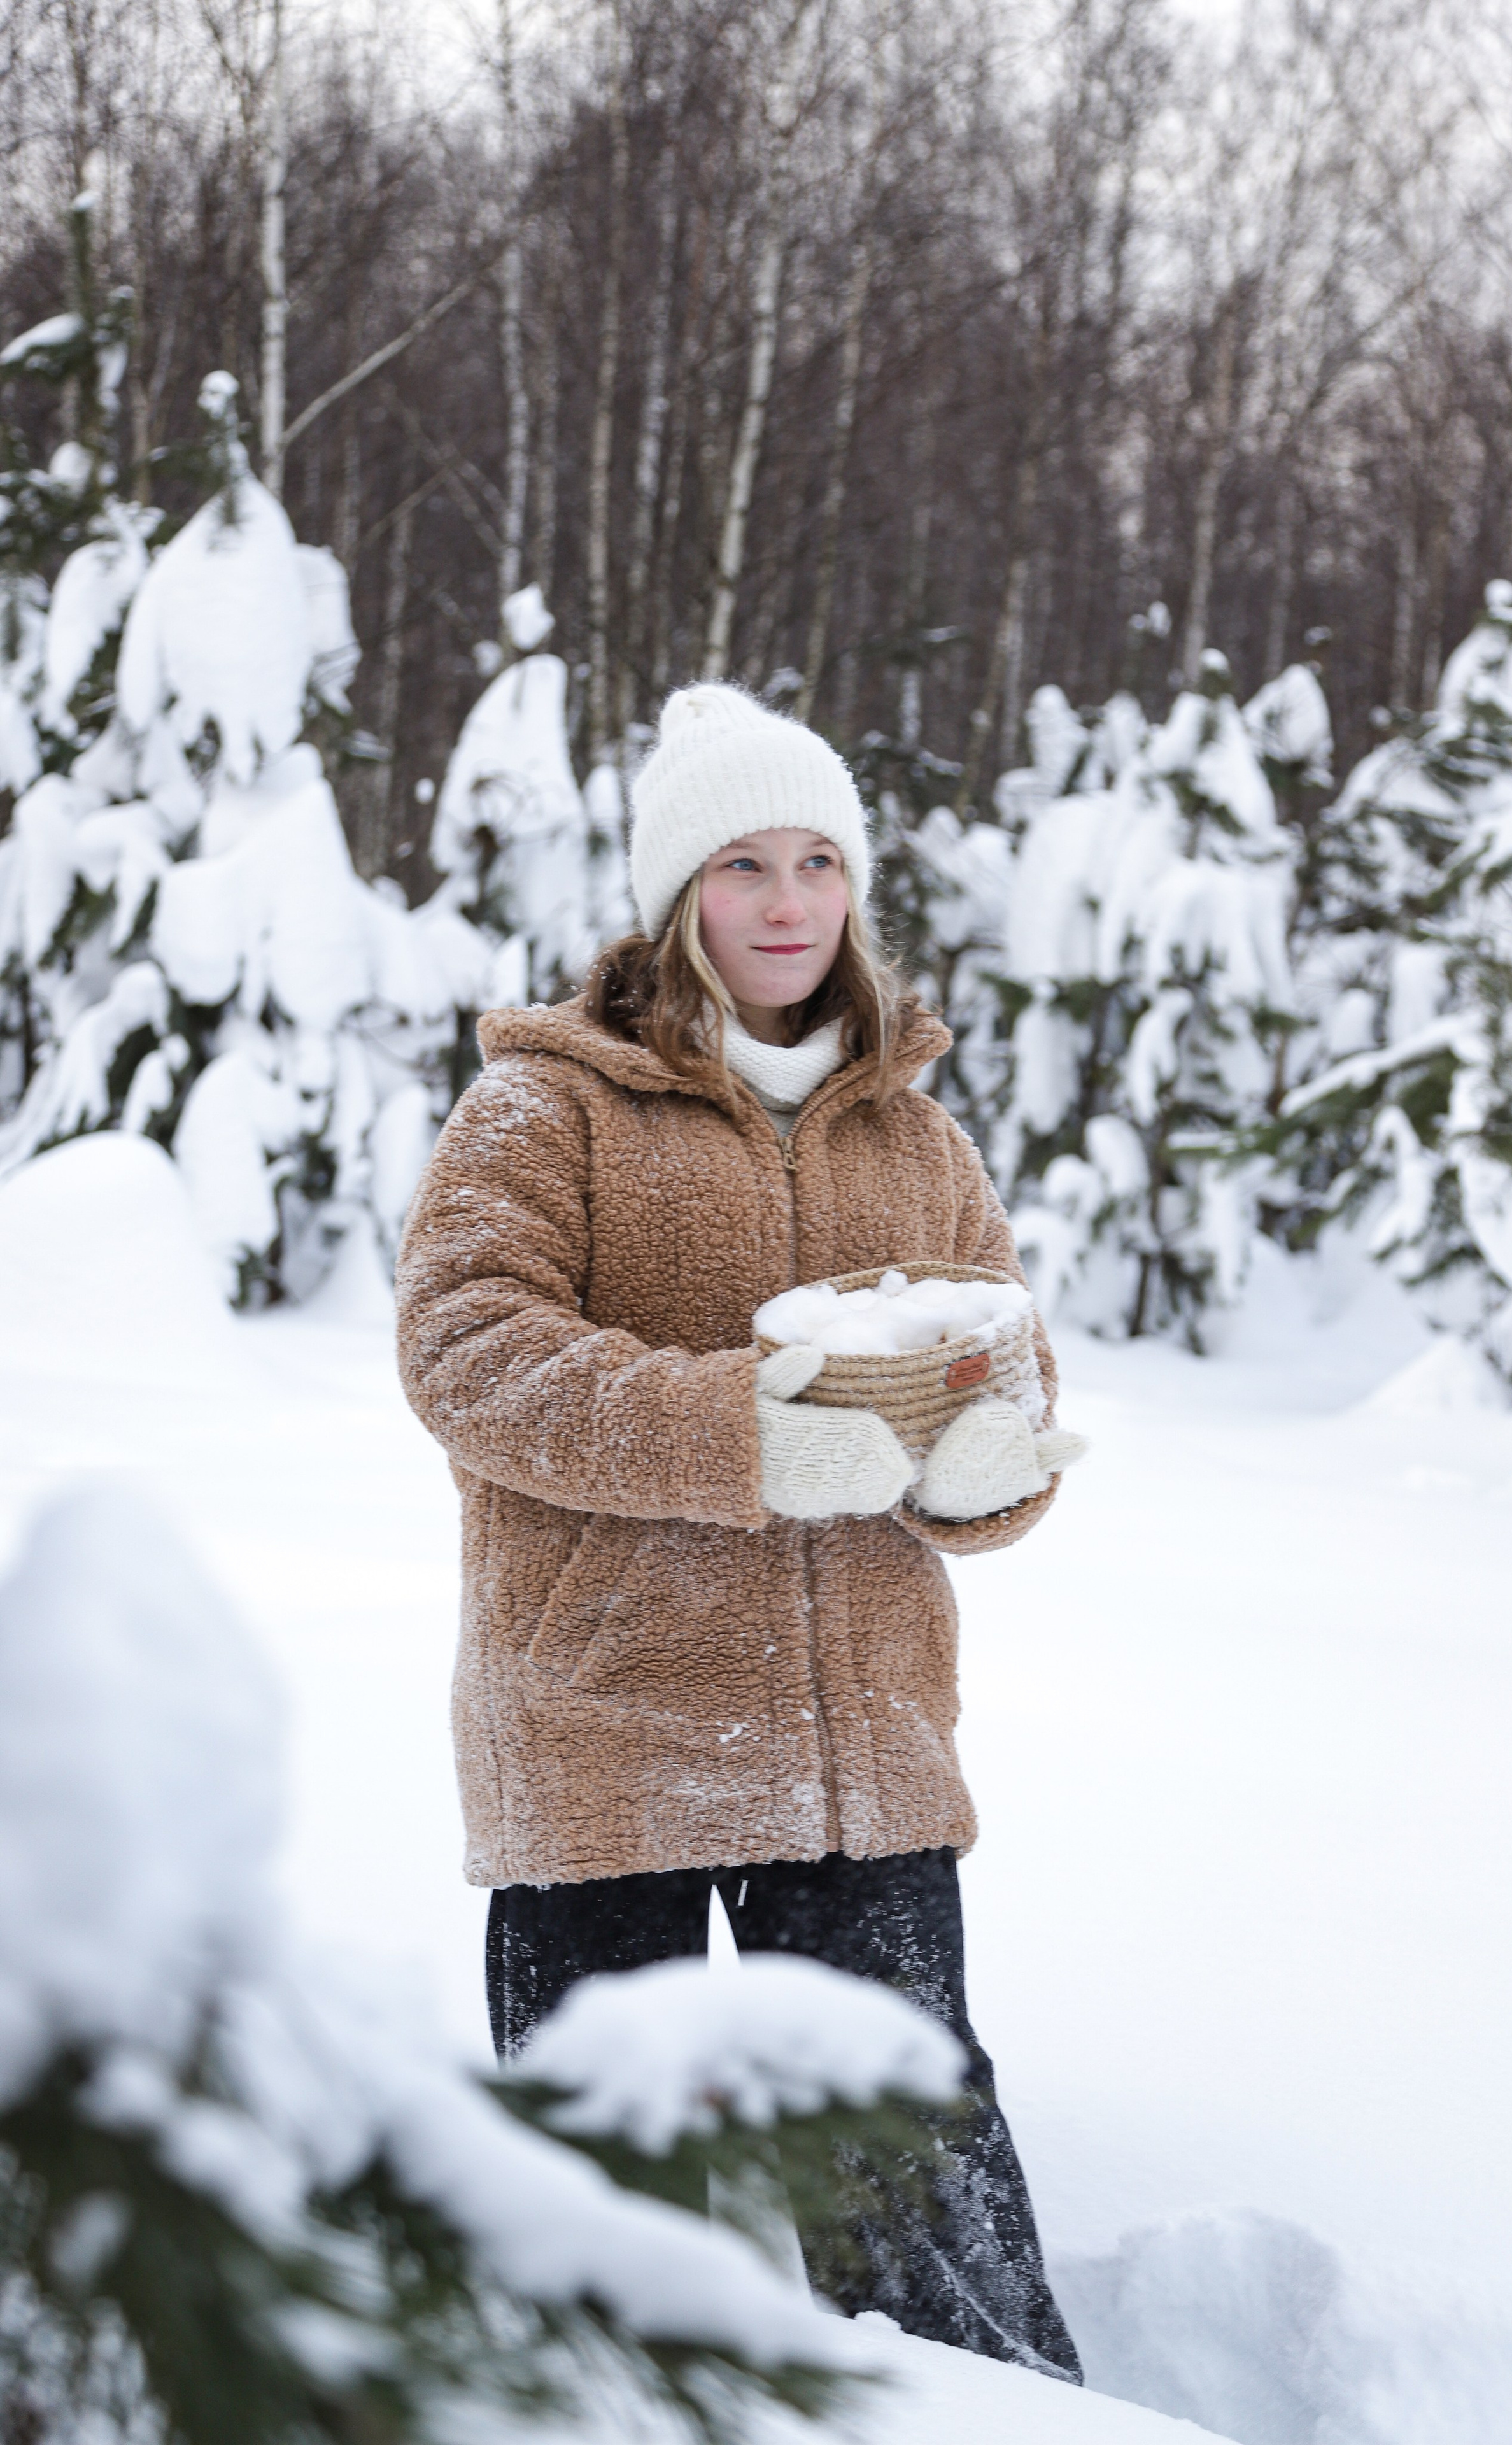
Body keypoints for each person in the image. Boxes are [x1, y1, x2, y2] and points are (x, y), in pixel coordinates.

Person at [395, 683, 1087, 2382]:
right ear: (672, 896)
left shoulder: (915, 1131)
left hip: (861, 1744)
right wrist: (757, 1434)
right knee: (604, 2201)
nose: (788, 906)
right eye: (744, 867)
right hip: (606, 1726)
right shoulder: (542, 1112)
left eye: (820, 863)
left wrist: (988, 1455)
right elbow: (472, 1361)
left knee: (924, 2183)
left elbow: (999, 1387)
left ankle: (1021, 2426)